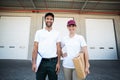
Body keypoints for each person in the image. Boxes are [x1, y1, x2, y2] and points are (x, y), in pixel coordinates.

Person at [32, 12, 61, 80]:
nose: (49, 20)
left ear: (53, 21)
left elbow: (58, 48)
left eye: (51, 19)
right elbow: (35, 48)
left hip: (53, 62)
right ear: (45, 20)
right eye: (47, 18)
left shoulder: (57, 33)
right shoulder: (39, 32)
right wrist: (34, 63)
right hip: (41, 62)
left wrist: (58, 63)